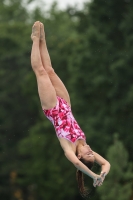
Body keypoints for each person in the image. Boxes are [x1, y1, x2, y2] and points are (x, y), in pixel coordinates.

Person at [30, 21, 110, 197]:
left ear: (80, 157)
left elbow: (77, 165)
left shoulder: (69, 149)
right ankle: (43, 40)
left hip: (52, 108)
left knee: (41, 72)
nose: (90, 151)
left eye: (88, 155)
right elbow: (106, 164)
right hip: (66, 104)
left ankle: (35, 39)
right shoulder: (83, 144)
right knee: (50, 70)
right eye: (92, 153)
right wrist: (102, 174)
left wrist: (92, 175)